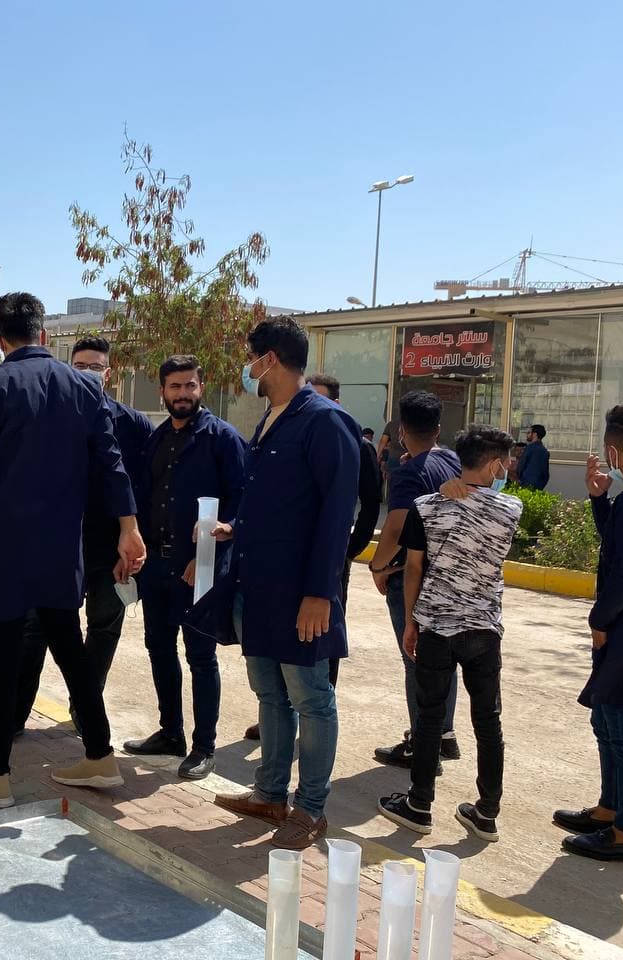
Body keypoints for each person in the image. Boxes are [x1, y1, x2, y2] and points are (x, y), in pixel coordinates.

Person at [0, 292, 146, 809]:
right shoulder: (83, 388)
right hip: (61, 549)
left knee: (2, 656)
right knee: (70, 647)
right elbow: (111, 463)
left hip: (4, 547)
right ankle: (100, 755)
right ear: (44, 335)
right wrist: (129, 527)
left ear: (0, 338)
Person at [210, 317, 359, 850]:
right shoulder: (272, 417)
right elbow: (274, 499)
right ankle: (269, 793)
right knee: (270, 694)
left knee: (312, 698)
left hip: (300, 593)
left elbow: (336, 513)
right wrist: (236, 527)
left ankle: (310, 808)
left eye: (250, 357)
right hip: (259, 586)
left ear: (268, 359)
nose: (247, 369)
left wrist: (320, 593)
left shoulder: (324, 421)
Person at [377, 424, 521, 842]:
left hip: (436, 626)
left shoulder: (427, 507)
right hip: (484, 629)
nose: (507, 469)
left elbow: (414, 569)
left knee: (429, 717)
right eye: (505, 463)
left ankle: (419, 804)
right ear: (493, 465)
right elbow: (486, 511)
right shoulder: (511, 508)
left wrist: (410, 621)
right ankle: (487, 812)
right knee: (488, 720)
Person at [14, 336, 155, 740]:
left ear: (109, 374)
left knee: (103, 629)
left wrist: (131, 538)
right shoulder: (48, 418)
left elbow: (143, 490)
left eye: (95, 367)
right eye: (80, 366)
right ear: (67, 370)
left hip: (111, 549)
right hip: (57, 546)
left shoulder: (133, 424)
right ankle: (15, 713)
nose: (88, 373)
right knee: (36, 627)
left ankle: (85, 706)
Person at [112, 354, 242, 779]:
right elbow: (143, 499)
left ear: (201, 388)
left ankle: (204, 747)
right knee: (159, 648)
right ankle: (171, 733)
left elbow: (242, 501)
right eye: (175, 387)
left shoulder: (223, 439)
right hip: (156, 566)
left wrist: (215, 546)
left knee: (200, 657)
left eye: (190, 386)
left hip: (200, 568)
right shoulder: (156, 439)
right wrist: (130, 551)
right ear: (163, 391)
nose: (183, 394)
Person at [242, 372, 381, 741]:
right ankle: (281, 718)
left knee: (317, 644)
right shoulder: (276, 426)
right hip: (283, 567)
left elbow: (365, 504)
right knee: (279, 655)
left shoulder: (348, 437)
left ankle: (311, 716)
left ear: (334, 402)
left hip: (328, 561)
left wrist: (349, 551)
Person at [367, 391, 463, 768]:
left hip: (414, 577)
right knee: (443, 660)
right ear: (438, 429)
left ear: (402, 431)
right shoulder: (454, 461)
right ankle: (443, 734)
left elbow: (395, 525)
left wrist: (377, 567)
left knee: (416, 660)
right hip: (449, 575)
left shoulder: (409, 472)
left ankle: (423, 746)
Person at [555, 408, 623, 863]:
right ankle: (610, 809)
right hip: (619, 628)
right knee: (605, 721)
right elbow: (616, 546)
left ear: (613, 451)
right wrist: (599, 500)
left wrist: (600, 621)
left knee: (621, 729)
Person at [516, 423, 550, 490]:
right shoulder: (545, 451)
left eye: (529, 432)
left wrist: (520, 480)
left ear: (534, 434)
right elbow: (545, 473)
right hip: (538, 486)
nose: (527, 434)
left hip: (525, 484)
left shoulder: (529, 449)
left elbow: (521, 467)